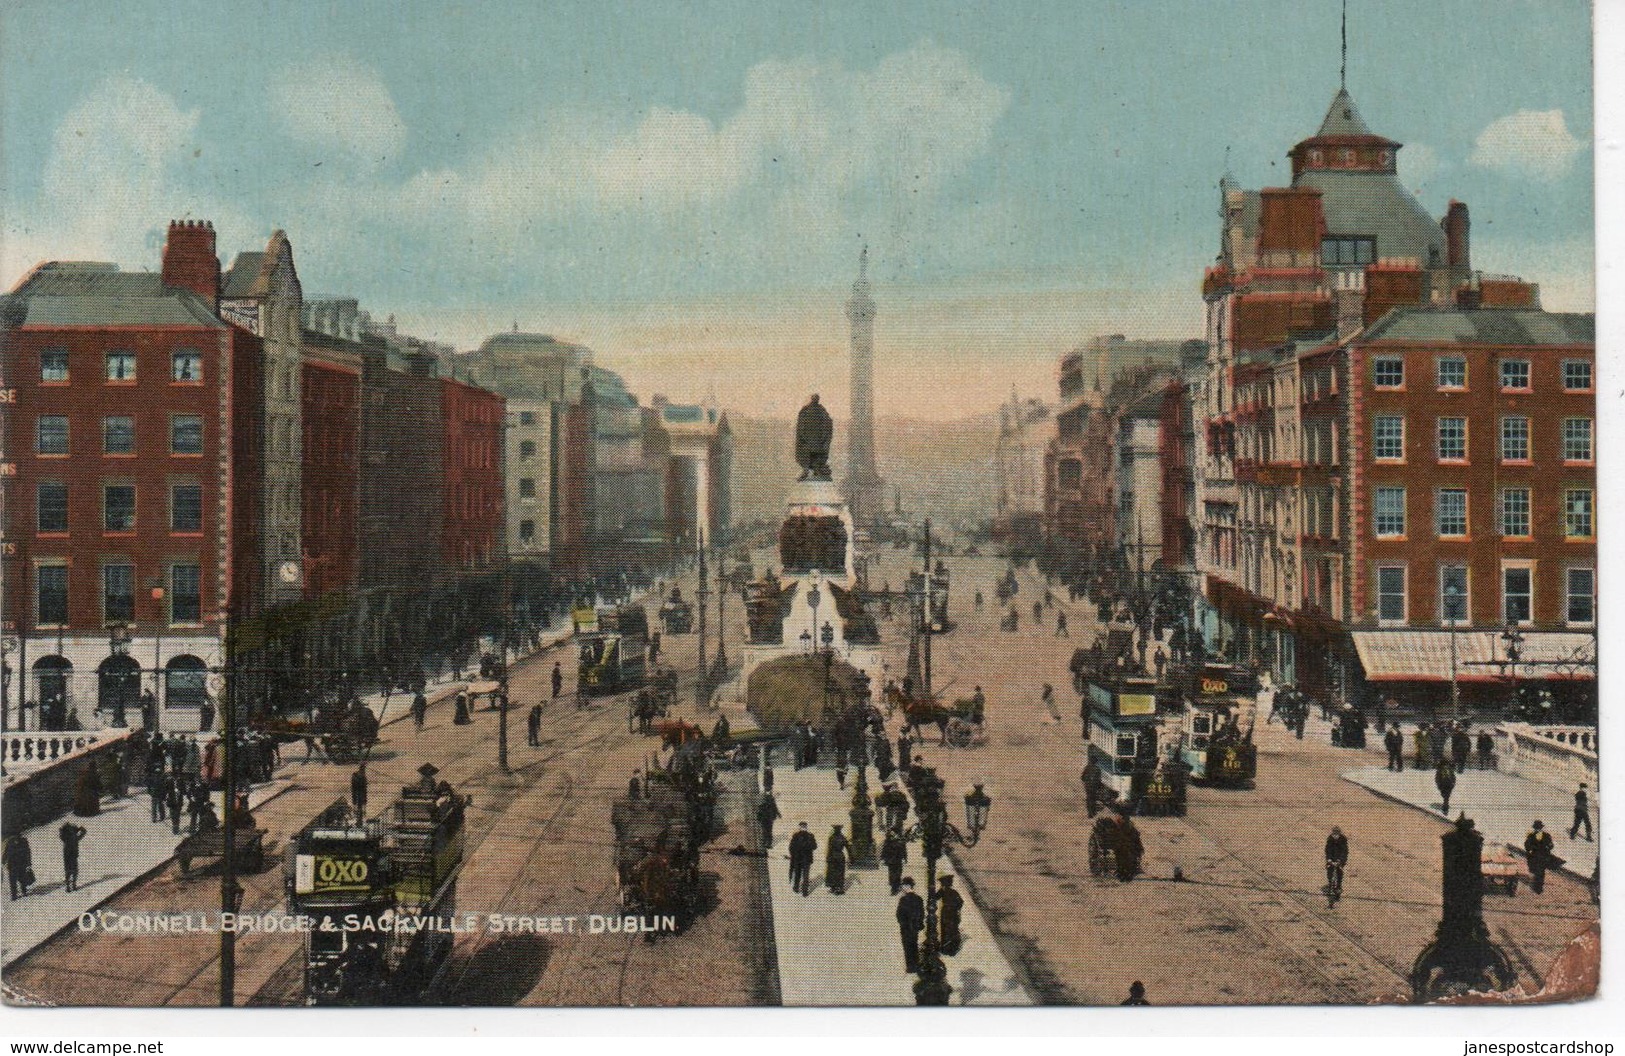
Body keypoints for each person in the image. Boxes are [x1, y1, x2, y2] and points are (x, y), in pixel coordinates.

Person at [896, 878, 925, 973]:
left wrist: (903, 924)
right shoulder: (919, 899)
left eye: (903, 885)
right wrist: (919, 924)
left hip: (906, 928)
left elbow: (899, 915)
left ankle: (911, 967)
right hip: (915, 927)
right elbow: (922, 913)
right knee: (914, 944)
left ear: (907, 886)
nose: (902, 887)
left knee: (907, 947)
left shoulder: (904, 899)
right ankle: (916, 964)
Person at [1525, 820, 1557, 894]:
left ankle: (1538, 888)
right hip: (1535, 857)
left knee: (1541, 872)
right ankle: (1537, 887)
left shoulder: (1546, 835)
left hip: (1542, 856)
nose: (1537, 829)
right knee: (1537, 872)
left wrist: (1547, 847)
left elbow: (1551, 845)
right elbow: (1527, 845)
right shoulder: (1531, 835)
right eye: (1537, 828)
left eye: (1538, 828)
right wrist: (1531, 849)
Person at [935, 875, 965, 955]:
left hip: (946, 912)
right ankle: (951, 949)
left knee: (945, 929)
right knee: (951, 930)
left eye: (942, 884)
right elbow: (961, 902)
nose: (942, 885)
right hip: (952, 913)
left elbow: (935, 897)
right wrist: (957, 909)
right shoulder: (954, 892)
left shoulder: (943, 891)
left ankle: (946, 949)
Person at [788, 822, 817, 897]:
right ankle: (805, 891)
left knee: (797, 874)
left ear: (799, 827)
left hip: (798, 859)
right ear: (806, 827)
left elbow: (791, 847)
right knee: (805, 875)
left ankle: (796, 888)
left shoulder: (796, 836)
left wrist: (793, 855)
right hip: (807, 859)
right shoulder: (810, 836)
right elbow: (814, 846)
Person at [59, 820, 87, 892]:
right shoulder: (75, 838)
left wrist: (62, 830)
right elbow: (84, 831)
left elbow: (61, 835)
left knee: (68, 871)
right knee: (74, 870)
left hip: (67, 855)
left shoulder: (65, 838)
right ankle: (74, 885)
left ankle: (68, 886)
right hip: (74, 855)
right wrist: (79, 828)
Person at [4, 833, 33, 900]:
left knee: (21, 879)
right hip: (13, 865)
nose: (16, 839)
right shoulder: (10, 842)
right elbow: (6, 852)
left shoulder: (23, 841)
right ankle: (14, 895)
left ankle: (23, 891)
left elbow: (28, 853)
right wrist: (3, 861)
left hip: (21, 864)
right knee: (13, 881)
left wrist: (29, 864)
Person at [1324, 826, 1348, 906]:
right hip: (1331, 860)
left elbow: (1345, 852)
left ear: (1339, 834)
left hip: (1339, 861)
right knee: (1330, 874)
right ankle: (1331, 884)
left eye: (1337, 834)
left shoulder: (1343, 840)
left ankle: (1338, 890)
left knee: (1339, 874)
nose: (1335, 835)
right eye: (1334, 834)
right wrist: (1329, 859)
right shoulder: (1330, 839)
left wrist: (1340, 860)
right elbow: (1327, 850)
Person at [881, 827, 908, 894]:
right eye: (892, 832)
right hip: (891, 860)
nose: (892, 833)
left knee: (898, 873)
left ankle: (895, 887)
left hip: (898, 860)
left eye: (894, 832)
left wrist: (905, 858)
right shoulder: (888, 840)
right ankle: (894, 887)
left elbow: (904, 850)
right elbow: (884, 849)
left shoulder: (901, 840)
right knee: (893, 873)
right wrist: (883, 858)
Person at [825, 824, 850, 895]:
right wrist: (851, 858)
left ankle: (833, 888)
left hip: (833, 856)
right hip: (841, 856)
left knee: (832, 872)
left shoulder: (831, 838)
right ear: (840, 830)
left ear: (834, 830)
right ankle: (840, 888)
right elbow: (848, 848)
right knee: (840, 872)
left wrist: (828, 857)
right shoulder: (843, 838)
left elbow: (829, 849)